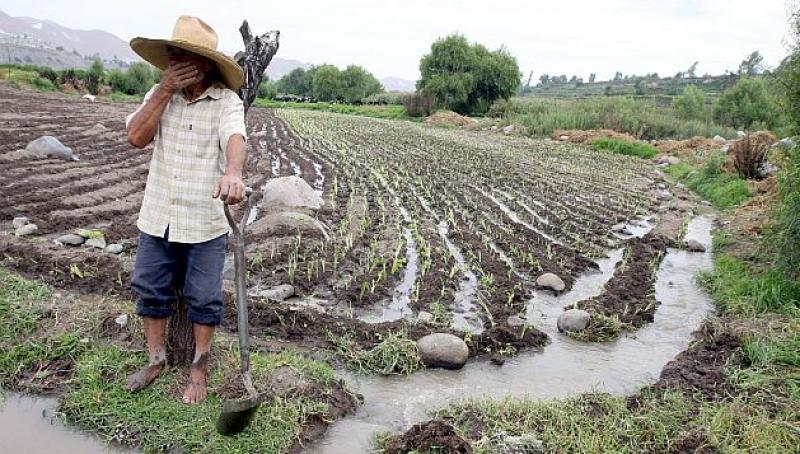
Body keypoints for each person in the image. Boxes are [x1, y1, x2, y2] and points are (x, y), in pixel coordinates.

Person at [123, 15, 247, 404]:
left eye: (185, 56)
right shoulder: (158, 94)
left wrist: (233, 172)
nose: (176, 62)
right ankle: (156, 361)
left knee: (204, 299)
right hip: (158, 215)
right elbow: (136, 137)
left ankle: (198, 369)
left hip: (204, 221)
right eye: (173, 55)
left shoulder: (226, 101)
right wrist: (164, 89)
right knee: (150, 290)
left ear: (205, 64)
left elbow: (235, 137)